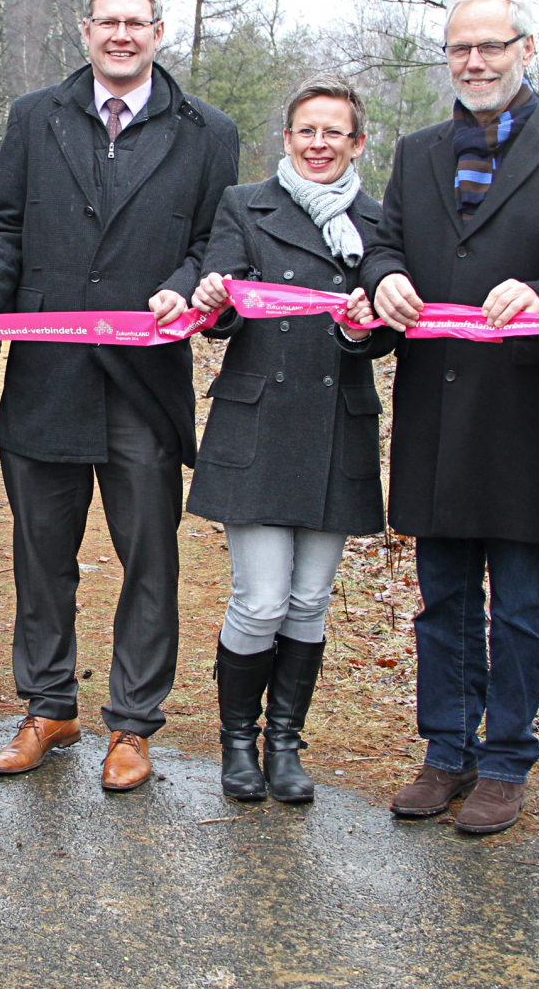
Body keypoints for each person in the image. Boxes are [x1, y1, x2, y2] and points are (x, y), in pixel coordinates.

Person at [0, 0, 240, 792]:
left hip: (143, 382)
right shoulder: (35, 117)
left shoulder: (208, 132)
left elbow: (216, 241)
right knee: (40, 559)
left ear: (159, 31)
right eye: (108, 22)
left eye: (137, 22)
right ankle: (48, 705)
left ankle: (132, 724)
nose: (121, 35)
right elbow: (7, 232)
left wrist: (188, 283)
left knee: (149, 564)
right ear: (86, 30)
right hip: (46, 382)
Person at [351, 0, 539, 835]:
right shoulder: (418, 152)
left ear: (526, 50)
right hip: (433, 411)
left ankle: (506, 759)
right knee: (441, 600)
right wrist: (382, 279)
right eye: (461, 47)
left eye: (491, 46)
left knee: (519, 605)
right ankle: (446, 751)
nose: (476, 61)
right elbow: (384, 241)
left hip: (523, 413)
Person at [188, 76, 397, 804]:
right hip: (258, 422)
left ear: (357, 142)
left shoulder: (378, 221)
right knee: (261, 601)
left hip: (337, 425)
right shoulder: (244, 205)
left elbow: (391, 332)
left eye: (334, 132)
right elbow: (220, 307)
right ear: (287, 137)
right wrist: (213, 303)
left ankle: (284, 746)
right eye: (306, 130)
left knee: (310, 601)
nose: (318, 143)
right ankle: (237, 743)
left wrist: (361, 329)